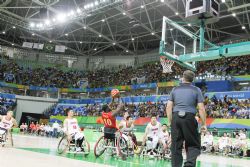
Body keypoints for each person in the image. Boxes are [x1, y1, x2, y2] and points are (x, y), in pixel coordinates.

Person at [166, 70, 206, 167]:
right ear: (192, 79)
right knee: (193, 144)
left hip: (175, 117)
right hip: (189, 118)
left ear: (183, 78)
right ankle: (189, 164)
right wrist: (204, 124)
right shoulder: (197, 90)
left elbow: (168, 107)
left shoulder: (175, 89)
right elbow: (201, 108)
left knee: (175, 146)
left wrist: (171, 122)